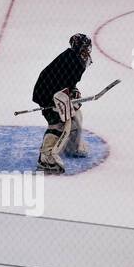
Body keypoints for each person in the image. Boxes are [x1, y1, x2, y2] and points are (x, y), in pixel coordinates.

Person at [32, 33, 92, 173]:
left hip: (55, 92)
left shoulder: (75, 59)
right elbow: (55, 82)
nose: (88, 52)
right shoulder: (74, 62)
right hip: (47, 94)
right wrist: (60, 99)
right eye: (85, 48)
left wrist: (72, 91)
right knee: (58, 123)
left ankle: (72, 147)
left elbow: (67, 82)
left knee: (76, 115)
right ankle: (45, 158)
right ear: (79, 48)